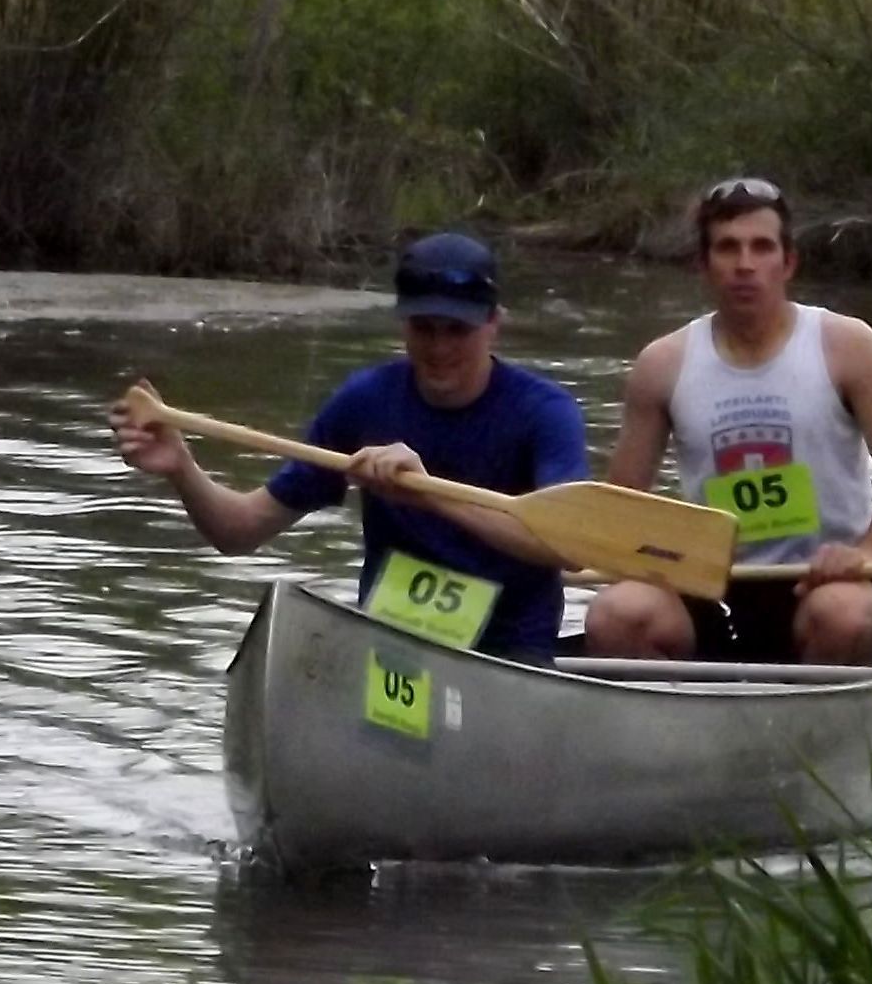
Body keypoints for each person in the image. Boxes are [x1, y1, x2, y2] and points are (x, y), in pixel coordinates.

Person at [108, 232, 587, 662]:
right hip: (391, 645)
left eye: (456, 330)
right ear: (403, 324)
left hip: (508, 656)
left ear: (494, 324)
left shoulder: (545, 412)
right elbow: (239, 532)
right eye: (424, 327)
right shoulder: (365, 401)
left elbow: (571, 548)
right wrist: (180, 468)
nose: (439, 347)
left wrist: (429, 495)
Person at [581, 177, 872, 666]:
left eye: (761, 247)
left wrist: (869, 552)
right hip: (710, 584)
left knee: (845, 617)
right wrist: (648, 556)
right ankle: (670, 724)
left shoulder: (849, 347)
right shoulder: (661, 364)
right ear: (703, 265)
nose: (745, 265)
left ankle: (818, 732)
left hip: (827, 581)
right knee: (614, 615)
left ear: (788, 262)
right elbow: (623, 505)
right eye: (727, 248)